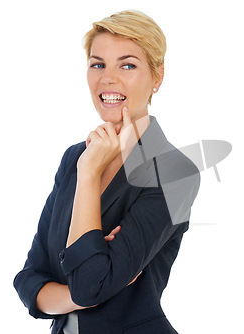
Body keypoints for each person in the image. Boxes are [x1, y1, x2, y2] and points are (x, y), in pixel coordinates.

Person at [13, 10, 200, 334]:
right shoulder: (76, 157)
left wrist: (89, 176)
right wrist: (84, 292)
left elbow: (88, 284)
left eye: (127, 65)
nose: (107, 78)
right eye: (98, 64)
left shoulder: (175, 172)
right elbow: (29, 280)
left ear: (157, 76)